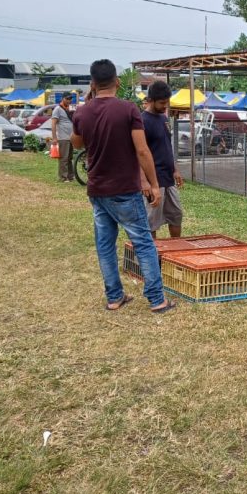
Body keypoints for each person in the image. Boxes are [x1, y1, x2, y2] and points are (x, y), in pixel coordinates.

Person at [71, 59, 175, 314]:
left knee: (105, 245)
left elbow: (76, 144)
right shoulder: (128, 110)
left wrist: (86, 104)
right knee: (143, 243)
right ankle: (156, 299)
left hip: (97, 190)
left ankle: (114, 297)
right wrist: (153, 184)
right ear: (117, 81)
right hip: (125, 190)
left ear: (93, 84)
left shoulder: (82, 113)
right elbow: (142, 150)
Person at [140, 81, 184, 238]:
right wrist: (144, 181)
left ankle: (176, 252)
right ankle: (152, 257)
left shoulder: (163, 118)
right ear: (151, 100)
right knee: (151, 221)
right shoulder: (142, 121)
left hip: (168, 178)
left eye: (167, 102)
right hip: (154, 181)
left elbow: (167, 146)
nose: (166, 106)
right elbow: (138, 153)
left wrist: (175, 169)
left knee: (176, 215)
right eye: (162, 103)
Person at [51, 93, 75, 182]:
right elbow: (53, 123)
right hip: (63, 137)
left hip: (71, 137)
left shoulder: (70, 108)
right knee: (63, 158)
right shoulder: (57, 109)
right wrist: (54, 138)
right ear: (62, 99)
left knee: (70, 158)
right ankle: (63, 177)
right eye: (67, 98)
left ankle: (70, 176)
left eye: (70, 99)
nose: (69, 100)